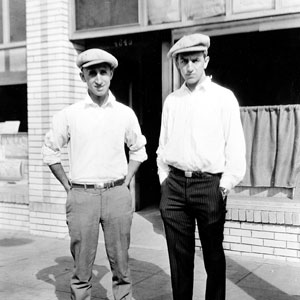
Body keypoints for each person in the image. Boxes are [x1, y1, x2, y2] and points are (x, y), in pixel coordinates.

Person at [42, 48, 147, 300]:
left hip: (116, 194)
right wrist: (69, 186)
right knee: (81, 269)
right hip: (82, 196)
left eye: (103, 72)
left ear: (111, 74)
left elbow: (139, 150)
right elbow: (49, 150)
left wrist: (127, 182)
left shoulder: (124, 113)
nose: (98, 79)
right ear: (83, 77)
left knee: (122, 264)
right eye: (92, 74)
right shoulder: (70, 114)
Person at [156, 33, 246, 300]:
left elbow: (235, 145)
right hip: (174, 187)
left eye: (195, 60)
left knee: (213, 257)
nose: (189, 67)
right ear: (178, 64)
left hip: (209, 185)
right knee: (179, 260)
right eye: (183, 61)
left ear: (206, 59)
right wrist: (164, 180)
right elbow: (163, 145)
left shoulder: (223, 97)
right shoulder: (172, 101)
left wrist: (225, 183)